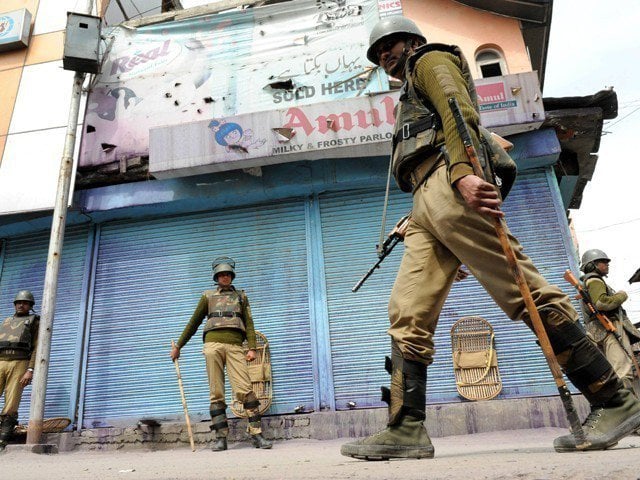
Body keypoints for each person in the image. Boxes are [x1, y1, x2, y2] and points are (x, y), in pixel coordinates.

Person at [341, 16, 640, 460]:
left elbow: (458, 112)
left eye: (392, 43)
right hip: (427, 201)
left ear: (413, 41)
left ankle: (614, 400)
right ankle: (406, 429)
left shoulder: (431, 59)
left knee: (525, 292)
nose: (386, 53)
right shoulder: (407, 94)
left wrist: (461, 174)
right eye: (379, 50)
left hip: (448, 182)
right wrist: (423, 215)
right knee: (406, 310)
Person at [170, 257, 272, 451]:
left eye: (227, 274)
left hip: (235, 347)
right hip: (213, 345)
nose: (225, 277)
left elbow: (249, 324)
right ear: (216, 277)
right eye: (221, 275)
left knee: (245, 390)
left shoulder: (241, 297)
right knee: (216, 392)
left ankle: (257, 435)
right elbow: (193, 323)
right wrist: (179, 346)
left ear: (232, 276)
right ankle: (221, 438)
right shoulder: (208, 296)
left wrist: (251, 348)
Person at [580, 249, 640, 393]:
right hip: (609, 327)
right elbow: (602, 303)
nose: (607, 265)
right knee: (623, 369)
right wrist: (621, 295)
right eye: (603, 262)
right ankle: (630, 407)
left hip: (600, 329)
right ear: (593, 265)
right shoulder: (594, 280)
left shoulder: (589, 281)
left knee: (614, 369)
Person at [0, 290, 39, 451]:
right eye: (18, 302)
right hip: (1, 361)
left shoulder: (34, 322)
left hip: (20, 362)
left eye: (24, 302)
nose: (20, 305)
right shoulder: (7, 321)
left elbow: (37, 348)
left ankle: (3, 438)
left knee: (12, 401)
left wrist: (30, 369)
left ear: (30, 306)